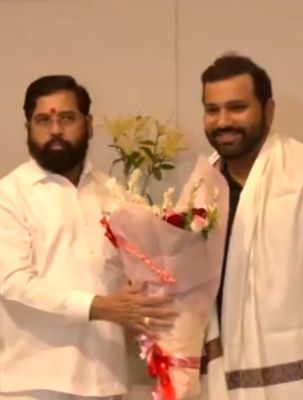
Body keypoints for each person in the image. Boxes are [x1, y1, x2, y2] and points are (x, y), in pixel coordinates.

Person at [0, 75, 177, 400]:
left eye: (67, 118)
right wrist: (100, 307)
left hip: (106, 382)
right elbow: (13, 283)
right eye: (43, 120)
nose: (55, 129)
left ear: (89, 125)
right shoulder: (9, 196)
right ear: (28, 129)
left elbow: (134, 276)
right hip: (34, 385)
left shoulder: (113, 194)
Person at [200, 54, 303, 400]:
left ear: (269, 110)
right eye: (212, 110)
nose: (223, 121)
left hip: (301, 375)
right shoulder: (198, 189)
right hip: (223, 374)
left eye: (237, 108)